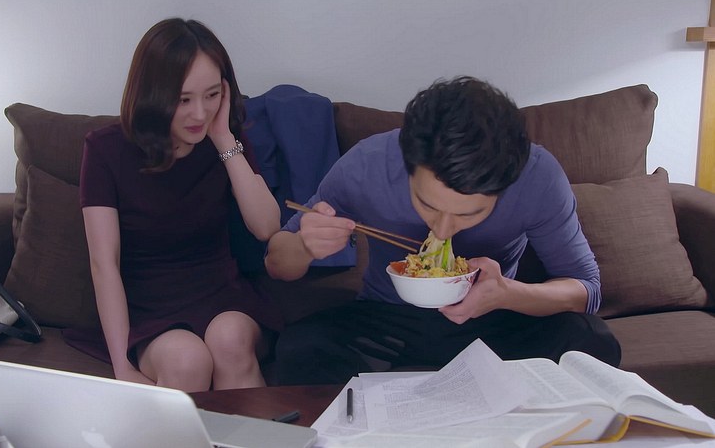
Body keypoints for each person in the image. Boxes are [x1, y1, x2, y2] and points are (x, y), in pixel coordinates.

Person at [265, 76, 621, 385]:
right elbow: (276, 264)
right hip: (387, 318)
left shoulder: (538, 177)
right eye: (427, 204)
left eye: (470, 213)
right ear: (407, 164)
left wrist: (507, 293)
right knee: (300, 347)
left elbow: (586, 289)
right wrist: (304, 247)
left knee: (591, 339)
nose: (443, 228)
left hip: (494, 318)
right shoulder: (367, 165)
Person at [63, 18, 283, 392]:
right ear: (152, 94)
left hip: (224, 294)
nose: (200, 114)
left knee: (229, 340)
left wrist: (223, 138)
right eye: (183, 100)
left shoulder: (225, 138)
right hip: (151, 309)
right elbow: (104, 264)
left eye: (212, 95)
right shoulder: (105, 149)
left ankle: (256, 427)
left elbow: (266, 226)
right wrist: (122, 366)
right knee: (186, 360)